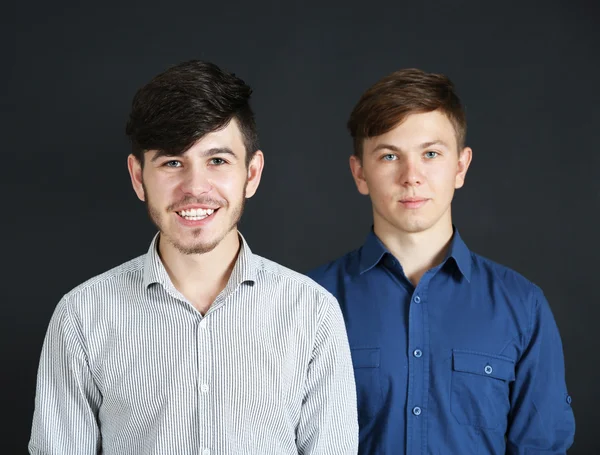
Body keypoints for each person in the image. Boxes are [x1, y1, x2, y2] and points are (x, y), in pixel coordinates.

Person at [29, 60, 358, 455]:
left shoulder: (313, 312)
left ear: (251, 174)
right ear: (138, 178)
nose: (195, 187)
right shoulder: (81, 317)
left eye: (217, 160)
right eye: (172, 162)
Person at [307, 68, 575, 454]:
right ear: (360, 173)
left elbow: (542, 447)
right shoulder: (308, 301)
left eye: (430, 154)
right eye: (388, 156)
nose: (411, 176)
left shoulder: (523, 306)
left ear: (460, 167)